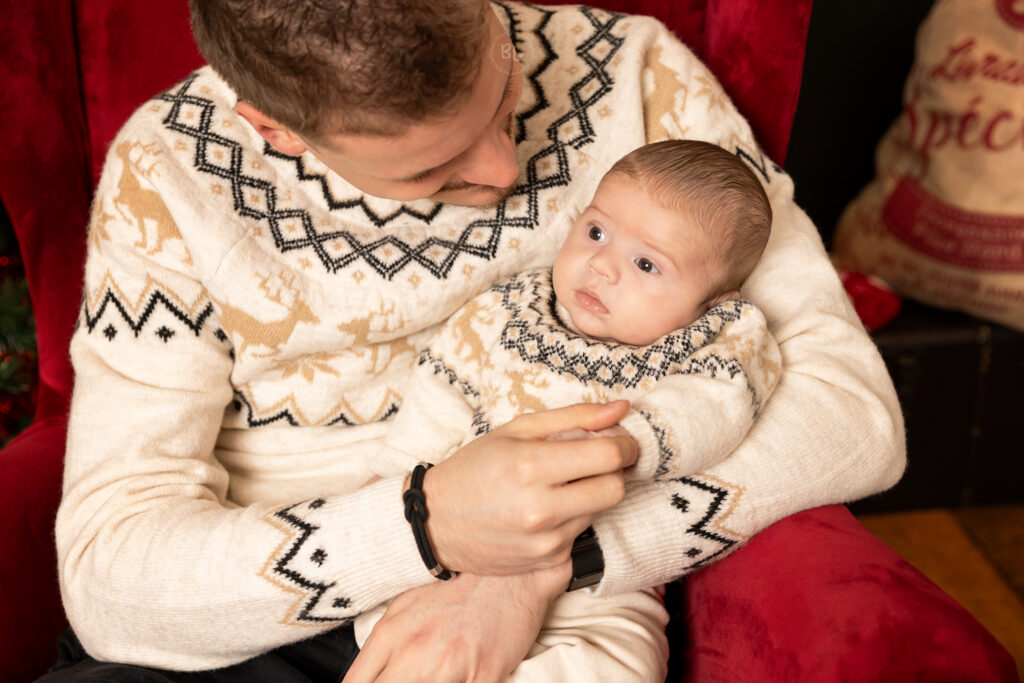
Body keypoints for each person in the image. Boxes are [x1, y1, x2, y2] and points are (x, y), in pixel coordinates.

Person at [43, 0, 905, 681]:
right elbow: (110, 574)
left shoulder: (638, 76)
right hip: (258, 612)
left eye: (503, 95)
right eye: (429, 170)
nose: (502, 171)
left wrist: (537, 562)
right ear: (274, 127)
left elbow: (854, 416)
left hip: (575, 601)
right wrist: (426, 528)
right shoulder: (169, 170)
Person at [354, 139, 780, 681]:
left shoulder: (711, 340)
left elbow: (714, 406)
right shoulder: (505, 312)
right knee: (388, 636)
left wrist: (627, 442)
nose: (601, 266)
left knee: (616, 668)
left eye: (646, 263)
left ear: (713, 304)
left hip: (601, 587)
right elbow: (441, 394)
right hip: (466, 547)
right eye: (597, 233)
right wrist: (396, 478)